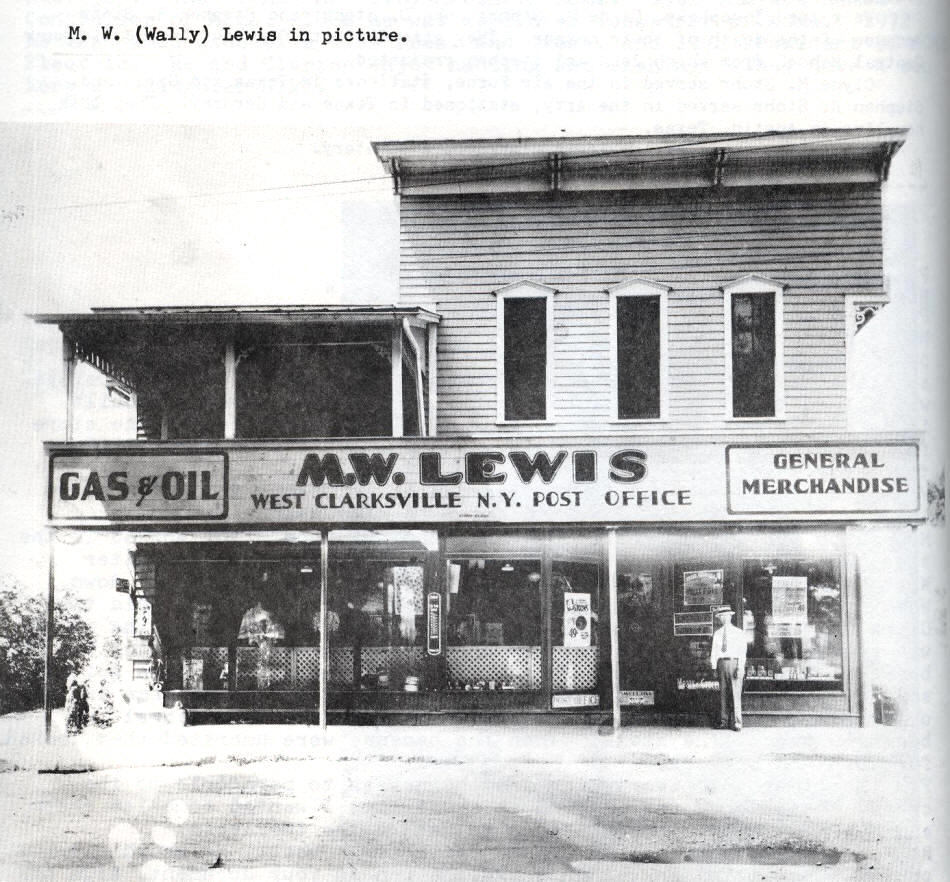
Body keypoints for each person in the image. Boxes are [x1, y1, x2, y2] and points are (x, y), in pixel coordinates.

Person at [710, 604, 746, 731]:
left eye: (725, 616)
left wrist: (740, 667)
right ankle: (723, 721)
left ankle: (737, 722)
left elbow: (742, 652)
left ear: (730, 617)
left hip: (734, 663)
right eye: (720, 617)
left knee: (735, 693)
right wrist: (714, 667)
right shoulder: (718, 634)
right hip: (721, 664)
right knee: (723, 694)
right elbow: (714, 652)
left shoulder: (739, 633)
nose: (723, 619)